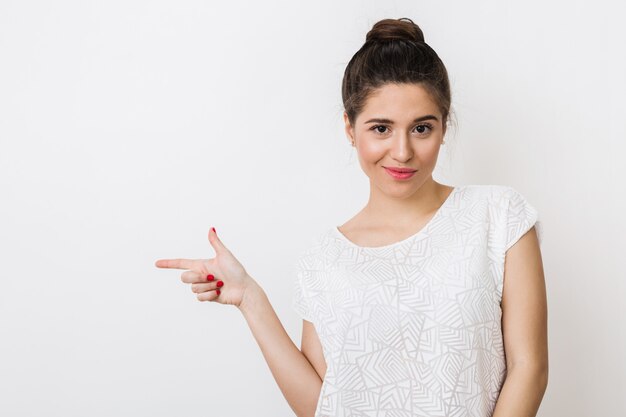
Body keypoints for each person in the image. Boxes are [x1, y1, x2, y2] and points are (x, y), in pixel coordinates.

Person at [155, 17, 548, 417]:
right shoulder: (324, 260)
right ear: (350, 127)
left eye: (421, 128)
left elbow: (528, 368)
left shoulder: (498, 217)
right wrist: (249, 299)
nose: (402, 151)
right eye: (381, 128)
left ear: (444, 126)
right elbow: (322, 406)